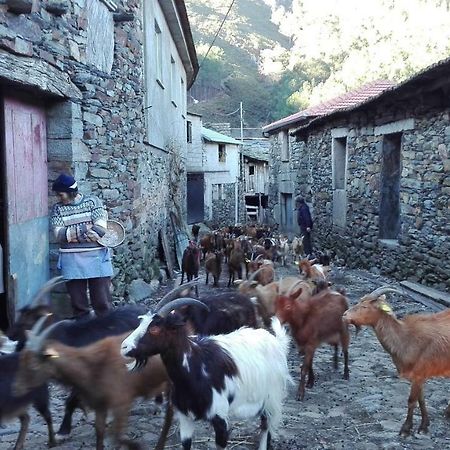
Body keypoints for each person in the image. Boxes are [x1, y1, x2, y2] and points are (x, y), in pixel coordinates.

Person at [50, 173, 113, 318]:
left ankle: (108, 332)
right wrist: (86, 228)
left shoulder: (93, 202)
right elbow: (59, 235)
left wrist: (72, 234)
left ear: (71, 192)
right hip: (71, 260)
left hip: (96, 257)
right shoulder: (57, 209)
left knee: (102, 302)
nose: (59, 198)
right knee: (79, 305)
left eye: (61, 195)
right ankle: (83, 334)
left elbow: (100, 229)